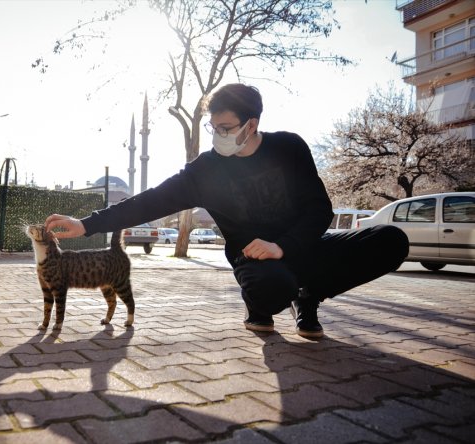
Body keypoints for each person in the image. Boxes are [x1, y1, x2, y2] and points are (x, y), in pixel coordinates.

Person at [45, 83, 409, 338]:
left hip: (302, 247)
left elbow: (319, 209)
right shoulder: (206, 170)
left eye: (225, 127)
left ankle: (308, 295)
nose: (216, 134)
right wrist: (87, 224)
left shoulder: (290, 148)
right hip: (255, 260)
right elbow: (150, 200)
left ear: (251, 125)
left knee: (390, 241)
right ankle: (261, 303)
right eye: (212, 127)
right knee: (273, 288)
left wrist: (283, 246)